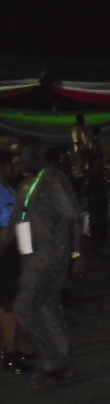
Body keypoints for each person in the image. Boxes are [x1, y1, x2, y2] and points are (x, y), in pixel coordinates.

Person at [0, 137, 85, 389]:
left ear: (38, 154)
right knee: (49, 311)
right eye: (17, 157)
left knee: (24, 307)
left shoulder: (54, 180)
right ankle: (66, 365)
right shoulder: (25, 186)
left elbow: (75, 219)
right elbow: (18, 225)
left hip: (51, 257)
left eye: (23, 154)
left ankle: (52, 362)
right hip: (32, 258)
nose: (19, 161)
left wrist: (78, 256)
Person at [0, 150, 34, 374]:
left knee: (15, 302)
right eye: (10, 164)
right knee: (8, 304)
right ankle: (10, 355)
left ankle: (14, 348)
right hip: (4, 252)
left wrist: (27, 252)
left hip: (15, 251)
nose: (14, 168)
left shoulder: (10, 190)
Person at [82, 155, 110, 258]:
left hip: (102, 203)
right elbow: (85, 190)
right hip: (95, 204)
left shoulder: (102, 174)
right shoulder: (91, 175)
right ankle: (96, 249)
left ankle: (101, 248)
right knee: (96, 227)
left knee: (104, 227)